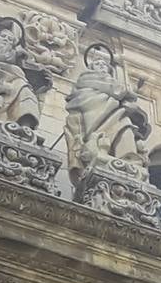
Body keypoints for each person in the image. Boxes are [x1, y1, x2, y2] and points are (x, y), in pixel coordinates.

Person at [64, 42, 151, 184]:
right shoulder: (87, 78)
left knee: (125, 125)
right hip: (93, 107)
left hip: (113, 111)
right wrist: (128, 92)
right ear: (91, 68)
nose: (102, 67)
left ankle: (128, 158)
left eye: (104, 66)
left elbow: (117, 90)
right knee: (118, 120)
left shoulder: (111, 83)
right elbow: (117, 90)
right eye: (98, 65)